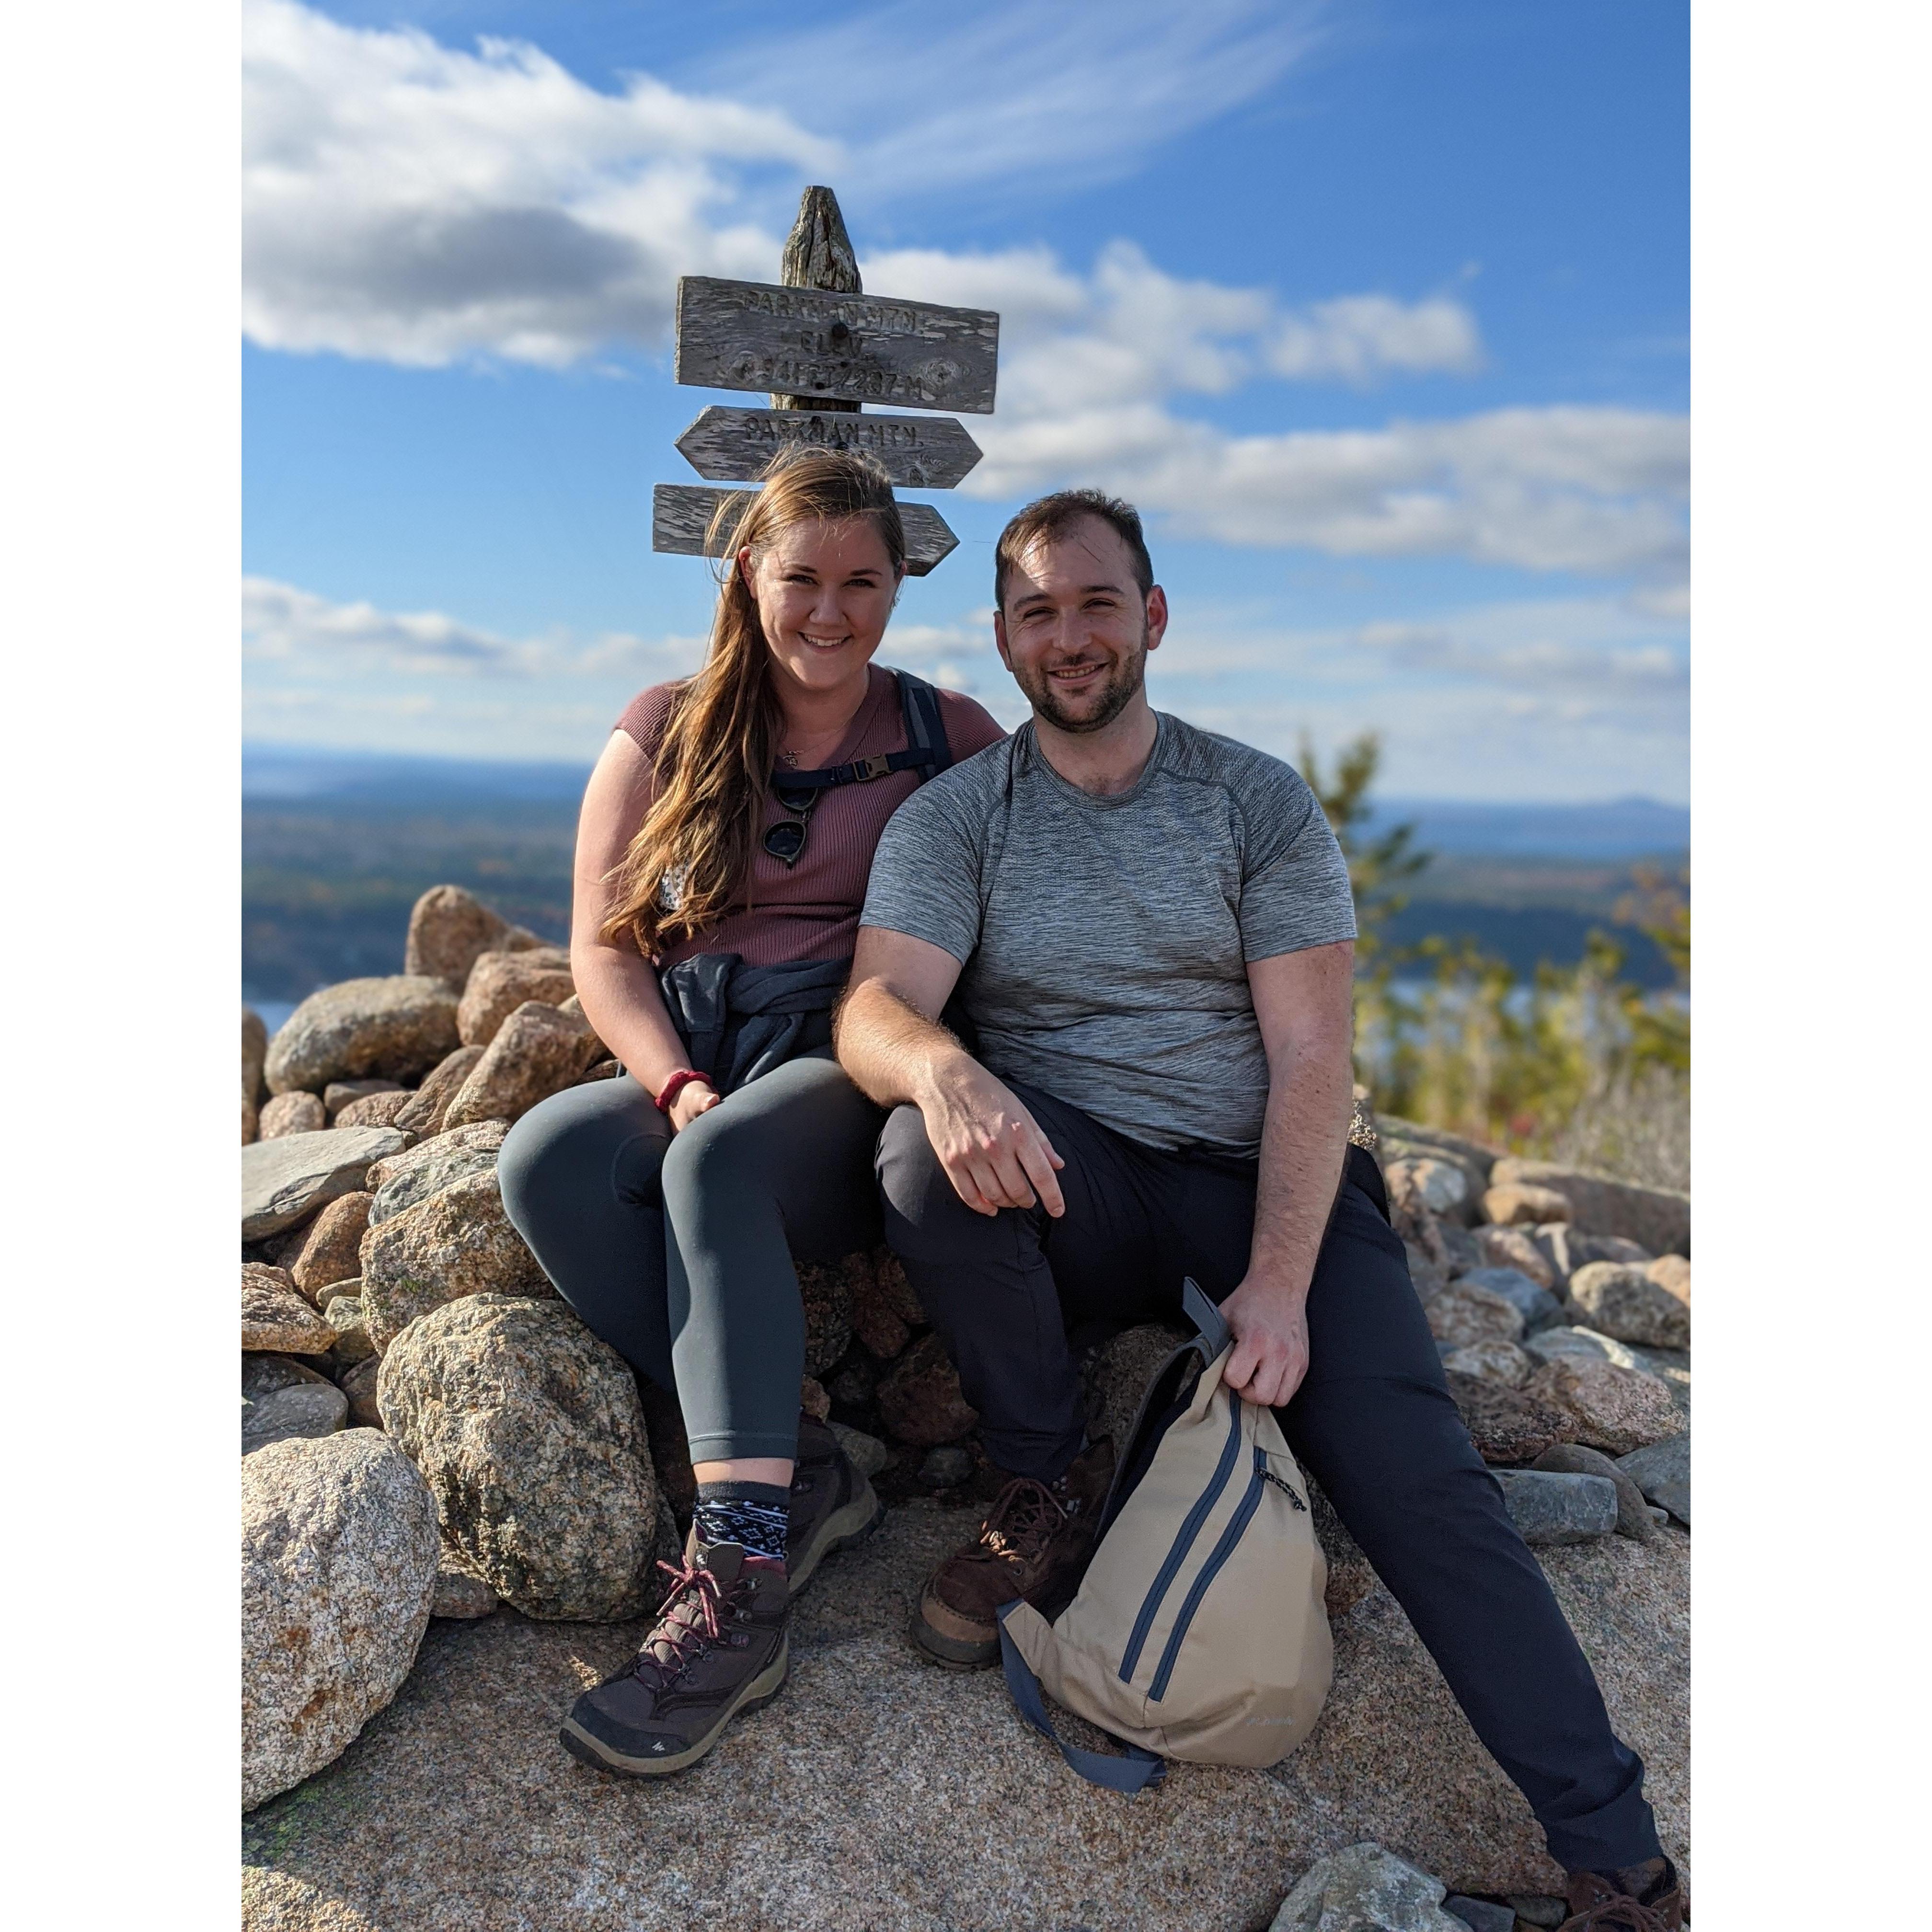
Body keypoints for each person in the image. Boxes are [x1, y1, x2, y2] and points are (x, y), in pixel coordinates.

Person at [833, 489, 1682, 1931]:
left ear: (1153, 618)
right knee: (921, 1156)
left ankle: (1621, 1865)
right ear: (1004, 637)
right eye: (1039, 611)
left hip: (1263, 1187)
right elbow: (875, 1007)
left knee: (1421, 1485)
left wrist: (1281, 1279)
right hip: (1080, 1179)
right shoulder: (961, 817)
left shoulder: (1253, 801)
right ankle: (1045, 1488)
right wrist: (946, 1074)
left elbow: (1311, 1059)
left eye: (1098, 603)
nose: (1071, 635)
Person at [498, 449, 1005, 1780]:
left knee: (714, 1161)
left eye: (862, 582)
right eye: (802, 579)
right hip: (703, 1048)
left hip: (844, 1056)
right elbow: (604, 950)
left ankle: (742, 1592)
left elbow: (1043, 894)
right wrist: (669, 1079)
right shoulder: (665, 723)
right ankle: (807, 1462)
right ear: (748, 575)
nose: (830, 611)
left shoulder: (944, 734)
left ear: (900, 585)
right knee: (547, 1158)